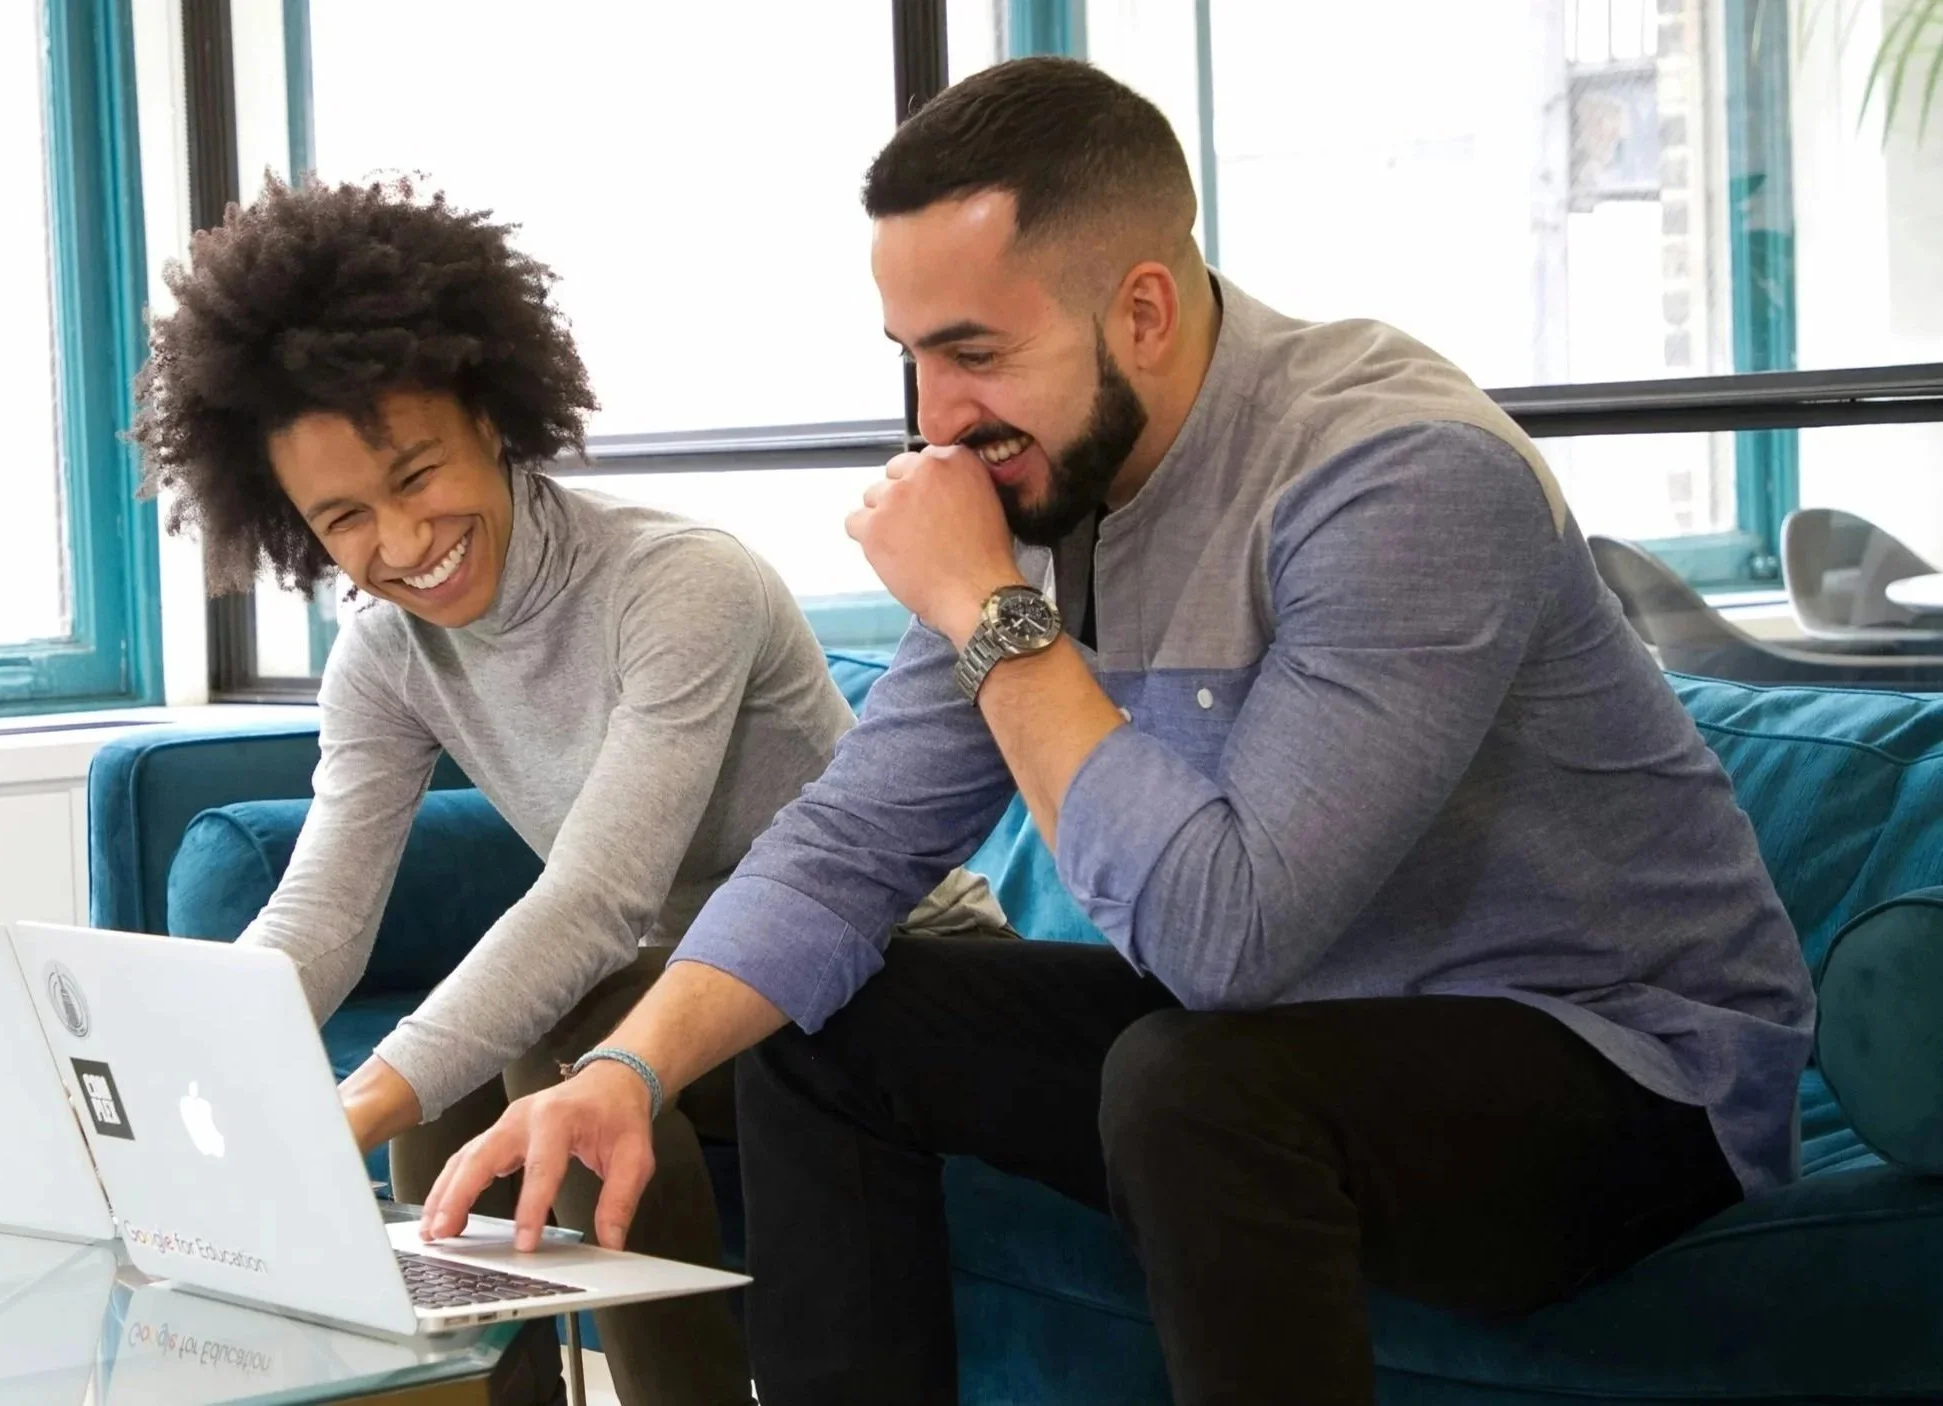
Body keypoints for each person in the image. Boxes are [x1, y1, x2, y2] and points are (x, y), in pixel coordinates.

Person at [416, 58, 1817, 1406]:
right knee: (824, 1022)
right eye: (910, 357)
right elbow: (846, 844)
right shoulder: (1036, 485)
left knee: (1191, 1086)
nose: (933, 420)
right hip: (1290, 1031)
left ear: (1141, 309)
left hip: (1619, 1072)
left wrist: (979, 603)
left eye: (973, 354)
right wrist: (627, 1069)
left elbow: (1227, 937)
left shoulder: (1397, 473)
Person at [127, 176, 1007, 1406]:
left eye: (417, 472)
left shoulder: (678, 583)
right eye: (345, 518)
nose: (400, 541)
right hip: (688, 1005)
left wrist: (356, 1102)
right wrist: (177, 1065)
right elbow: (319, 918)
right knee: (447, 1114)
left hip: (895, 971)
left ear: (492, 413)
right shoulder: (385, 652)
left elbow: (599, 896)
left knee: (541, 1045)